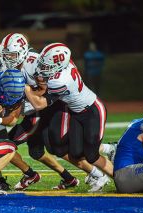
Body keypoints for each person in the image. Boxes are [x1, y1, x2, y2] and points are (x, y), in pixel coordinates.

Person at [25, 43, 113, 181]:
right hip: (77, 113)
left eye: (47, 66)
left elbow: (39, 104)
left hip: (92, 111)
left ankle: (119, 176)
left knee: (91, 156)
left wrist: (25, 88)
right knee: (76, 153)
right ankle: (108, 149)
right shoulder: (65, 65)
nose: (43, 68)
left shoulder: (59, 81)